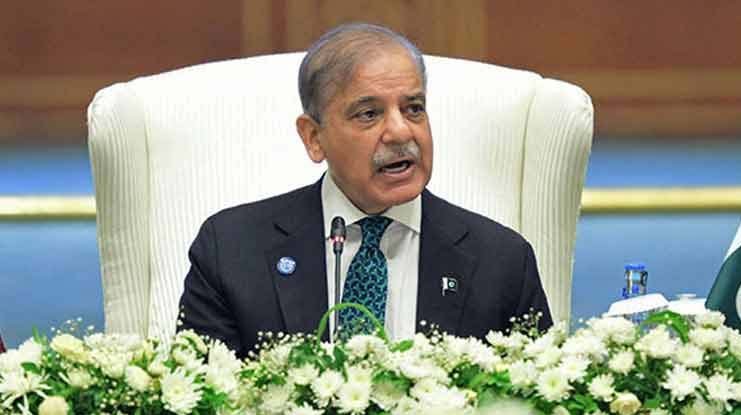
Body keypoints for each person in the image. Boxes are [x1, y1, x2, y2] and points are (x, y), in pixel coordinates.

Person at [178, 23, 552, 356]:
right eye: (369, 114)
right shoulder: (232, 251)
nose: (401, 132)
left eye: (413, 108)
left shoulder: (501, 261)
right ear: (313, 138)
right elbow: (203, 399)